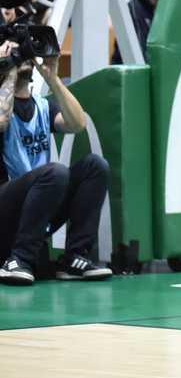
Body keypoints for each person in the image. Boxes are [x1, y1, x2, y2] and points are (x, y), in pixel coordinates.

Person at [0, 44, 110, 284]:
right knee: (55, 172)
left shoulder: (42, 105)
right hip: (5, 209)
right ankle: (18, 259)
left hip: (39, 202)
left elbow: (77, 124)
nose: (22, 56)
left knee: (95, 166)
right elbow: (1, 121)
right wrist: (7, 71)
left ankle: (74, 257)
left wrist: (53, 79)